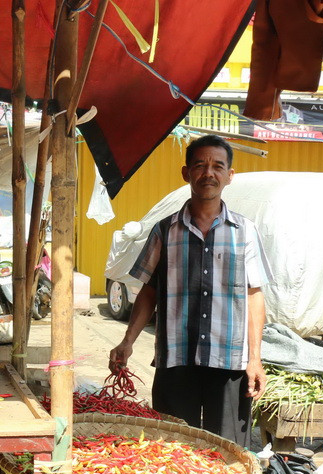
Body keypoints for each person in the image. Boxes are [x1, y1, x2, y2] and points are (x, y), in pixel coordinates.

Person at [108, 135, 271, 447]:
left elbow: (253, 295)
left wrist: (255, 359)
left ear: (229, 176)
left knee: (227, 453)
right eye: (200, 165)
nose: (208, 173)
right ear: (186, 173)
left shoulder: (245, 232)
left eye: (217, 166)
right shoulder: (164, 230)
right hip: (176, 360)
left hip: (229, 364)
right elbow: (148, 291)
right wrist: (127, 341)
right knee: (171, 449)